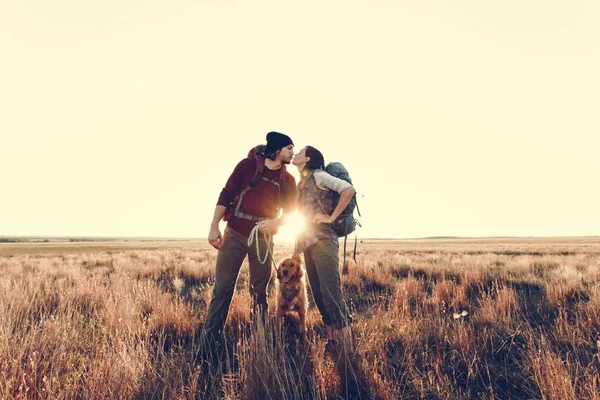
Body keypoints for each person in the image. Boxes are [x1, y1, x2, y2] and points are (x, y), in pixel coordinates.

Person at [201, 131, 296, 358]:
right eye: (289, 148)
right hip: (234, 233)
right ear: (277, 149)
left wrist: (275, 222)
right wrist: (214, 225)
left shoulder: (288, 180)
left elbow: (292, 213)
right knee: (222, 289)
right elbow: (226, 194)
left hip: (263, 239)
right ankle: (208, 343)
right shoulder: (246, 166)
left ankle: (259, 342)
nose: (293, 152)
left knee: (258, 292)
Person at [292, 145, 356, 350]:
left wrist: (331, 217)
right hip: (307, 243)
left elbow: (348, 190)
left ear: (308, 158)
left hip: (324, 242)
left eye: (300, 152)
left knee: (331, 293)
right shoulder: (301, 182)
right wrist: (296, 250)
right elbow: (301, 218)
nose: (296, 154)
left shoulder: (319, 176)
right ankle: (333, 340)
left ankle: (347, 347)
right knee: (319, 295)